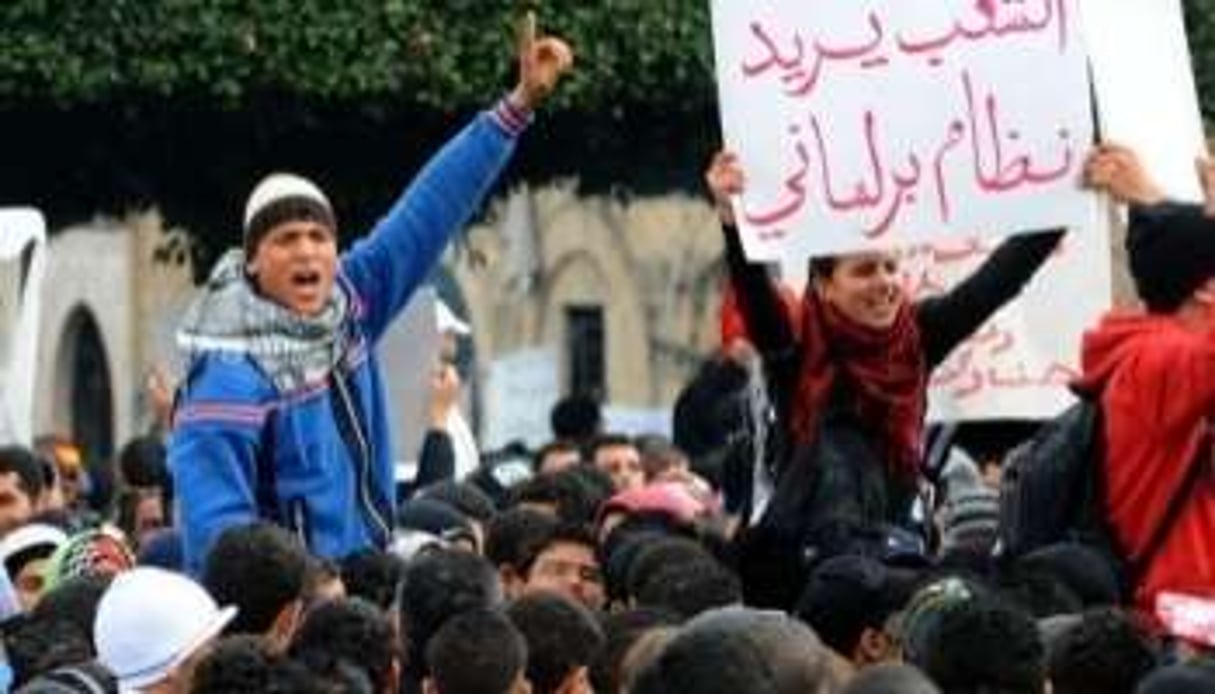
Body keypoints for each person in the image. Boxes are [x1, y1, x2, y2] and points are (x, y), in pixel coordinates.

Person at [167, 16, 573, 573]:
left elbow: (429, 211)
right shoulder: (228, 374)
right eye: (286, 239)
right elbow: (219, 532)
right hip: (285, 611)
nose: (308, 252)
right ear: (254, 260)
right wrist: (278, 616)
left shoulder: (351, 302)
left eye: (319, 237)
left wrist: (518, 105)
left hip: (369, 577)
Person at [705, 151, 1068, 608]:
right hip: (815, 580)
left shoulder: (918, 338)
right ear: (823, 284)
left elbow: (997, 282)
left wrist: (1063, 203)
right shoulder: (796, 353)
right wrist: (730, 218)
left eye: (890, 266)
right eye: (864, 270)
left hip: (899, 565)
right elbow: (757, 300)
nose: (885, 283)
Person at [1076, 143, 1215, 616]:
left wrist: (1150, 198)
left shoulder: (1155, 355)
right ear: (1205, 286)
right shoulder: (1162, 359)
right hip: (1188, 623)